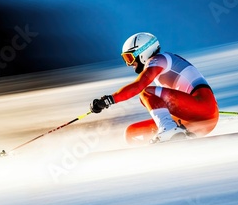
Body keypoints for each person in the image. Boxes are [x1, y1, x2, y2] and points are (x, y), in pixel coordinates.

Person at [90, 32, 219, 144]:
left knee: (145, 92)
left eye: (129, 58)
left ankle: (168, 130)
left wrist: (108, 100)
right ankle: (163, 144)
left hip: (202, 109)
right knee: (132, 132)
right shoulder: (162, 66)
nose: (129, 64)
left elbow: (139, 85)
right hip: (201, 119)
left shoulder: (159, 59)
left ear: (142, 52)